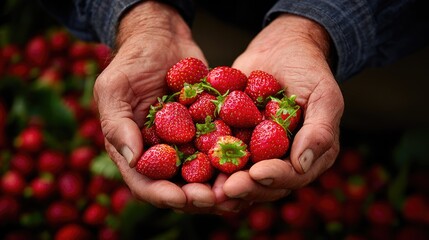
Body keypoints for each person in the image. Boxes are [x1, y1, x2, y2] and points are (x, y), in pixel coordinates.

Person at [38, 0, 429, 214]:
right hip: (203, 15)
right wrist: (144, 17)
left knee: (380, 99)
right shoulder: (212, 109)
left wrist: (317, 25)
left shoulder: (224, 113)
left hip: (373, 24)